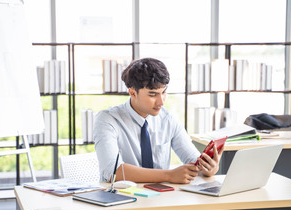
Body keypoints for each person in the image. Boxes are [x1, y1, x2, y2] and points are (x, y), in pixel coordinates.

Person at [93, 57, 224, 184]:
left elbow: (193, 160)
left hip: (161, 199)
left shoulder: (168, 119)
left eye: (164, 92)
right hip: (121, 199)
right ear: (132, 93)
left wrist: (209, 169)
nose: (161, 101)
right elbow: (112, 171)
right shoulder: (107, 119)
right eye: (153, 94)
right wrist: (169, 175)